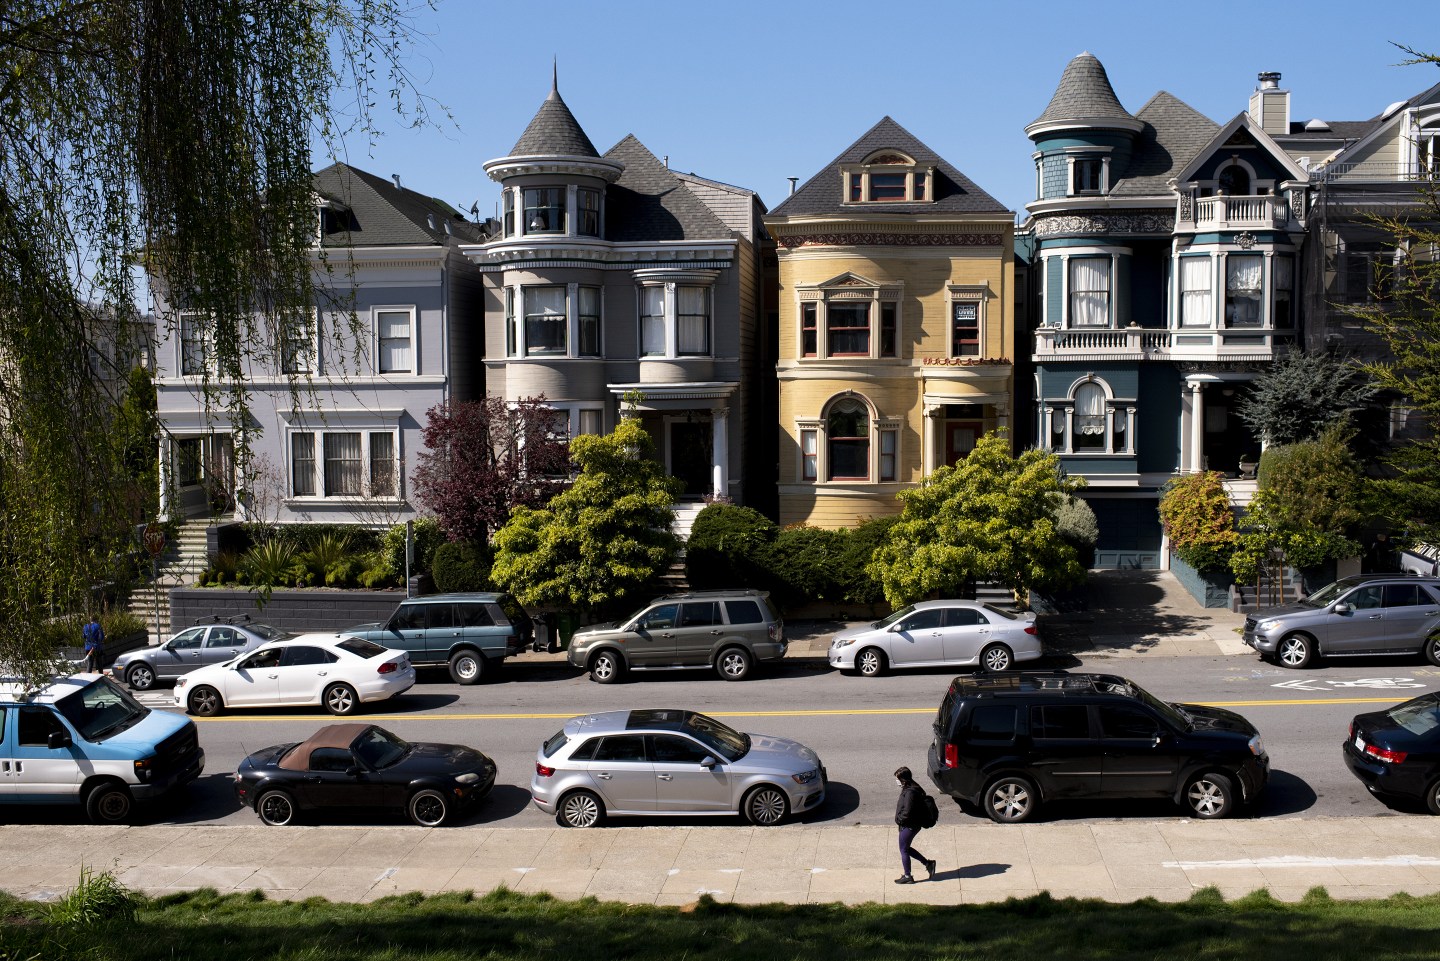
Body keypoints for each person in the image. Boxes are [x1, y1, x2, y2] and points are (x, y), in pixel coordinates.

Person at [893, 766, 936, 884]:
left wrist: (899, 820)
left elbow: (907, 812)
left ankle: (908, 876)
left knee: (903, 850)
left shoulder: (910, 793)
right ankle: (928, 864)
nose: (897, 781)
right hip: (912, 825)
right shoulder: (912, 788)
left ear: (904, 779)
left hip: (909, 826)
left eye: (898, 779)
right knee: (906, 848)